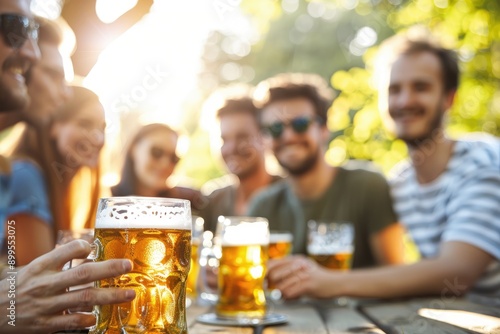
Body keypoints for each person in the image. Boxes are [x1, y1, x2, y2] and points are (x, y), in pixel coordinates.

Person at [267, 31, 500, 306]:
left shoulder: (483, 162)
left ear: (448, 98)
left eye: (421, 87)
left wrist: (329, 282)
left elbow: (457, 274)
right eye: (394, 89)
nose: (404, 101)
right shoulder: (402, 181)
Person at [0, 1, 134, 332]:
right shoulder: (24, 174)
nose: (64, 93)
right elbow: (33, 293)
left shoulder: (11, 169)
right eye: (55, 75)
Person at [248, 73, 405, 269]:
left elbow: (396, 273)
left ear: (324, 128)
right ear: (265, 138)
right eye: (275, 128)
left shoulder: (368, 186)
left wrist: (325, 285)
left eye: (300, 125)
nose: (288, 136)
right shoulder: (263, 207)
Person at [7, 86, 105, 265]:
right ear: (52, 125)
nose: (98, 138)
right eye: (85, 124)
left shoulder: (52, 184)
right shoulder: (26, 175)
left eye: (102, 127)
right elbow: (39, 283)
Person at [200, 85, 281, 233]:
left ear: (264, 137)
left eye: (242, 137)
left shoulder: (290, 195)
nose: (231, 148)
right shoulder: (213, 200)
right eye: (223, 139)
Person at [111, 123, 207, 214]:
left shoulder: (192, 202)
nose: (165, 164)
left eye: (174, 158)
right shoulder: (107, 200)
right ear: (134, 148)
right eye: (157, 152)